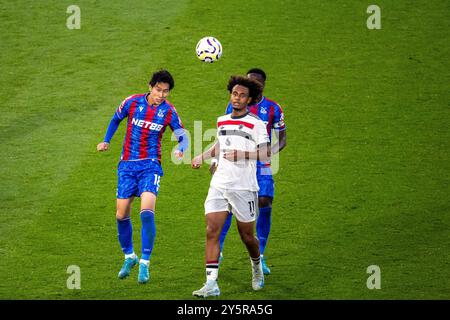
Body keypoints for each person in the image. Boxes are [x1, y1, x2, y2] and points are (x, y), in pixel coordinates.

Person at [97, 70, 188, 284]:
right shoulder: (132, 102)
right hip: (127, 165)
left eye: (166, 91)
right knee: (121, 215)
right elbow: (115, 119)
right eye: (158, 89)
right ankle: (130, 256)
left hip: (151, 165)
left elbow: (182, 134)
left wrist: (181, 148)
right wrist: (106, 140)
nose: (162, 94)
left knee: (146, 212)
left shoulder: (169, 112)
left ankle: (145, 263)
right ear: (150, 87)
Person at [191, 75, 270, 297]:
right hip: (220, 183)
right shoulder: (222, 120)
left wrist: (242, 154)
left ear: (250, 99)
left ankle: (256, 266)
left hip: (244, 187)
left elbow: (265, 152)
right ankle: (211, 283)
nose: (237, 98)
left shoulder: (257, 124)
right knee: (211, 231)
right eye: (234, 94)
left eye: (242, 95)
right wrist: (204, 156)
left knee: (247, 236)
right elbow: (220, 143)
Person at [216, 68, 287, 275]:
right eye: (248, 81)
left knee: (265, 201)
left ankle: (261, 255)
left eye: (255, 82)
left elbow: (282, 139)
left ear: (262, 85)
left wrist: (267, 153)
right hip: (236, 162)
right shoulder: (235, 104)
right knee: (228, 204)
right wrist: (216, 159)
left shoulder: (273, 108)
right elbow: (224, 135)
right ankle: (218, 251)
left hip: (260, 163)